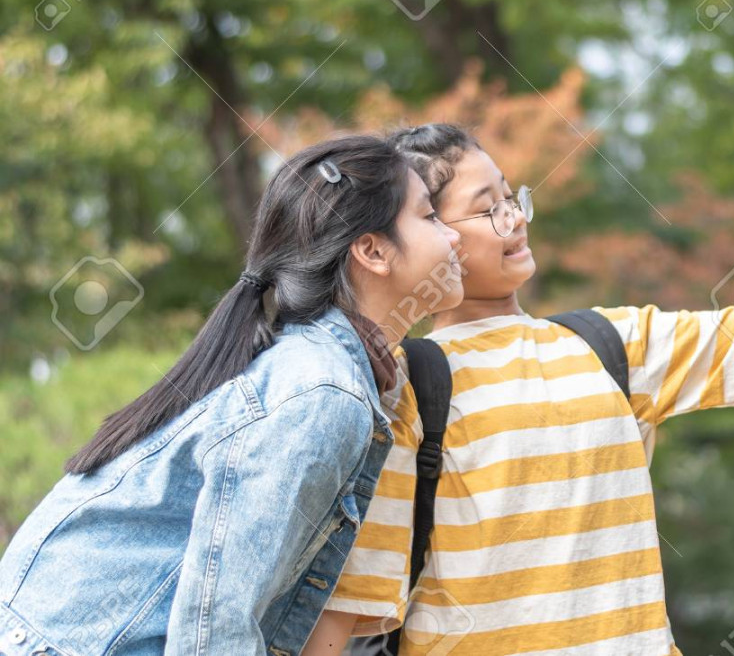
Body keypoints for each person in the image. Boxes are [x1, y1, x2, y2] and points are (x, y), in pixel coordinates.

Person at [306, 123, 734, 656]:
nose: (514, 219)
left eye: (513, 198)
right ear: (425, 230)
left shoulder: (605, 346)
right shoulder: (406, 386)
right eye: (487, 209)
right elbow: (353, 602)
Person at [0, 134, 464, 655]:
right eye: (430, 217)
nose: (454, 238)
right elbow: (214, 624)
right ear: (373, 251)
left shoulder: (315, 370)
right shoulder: (321, 390)